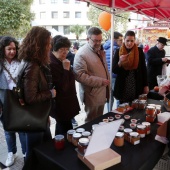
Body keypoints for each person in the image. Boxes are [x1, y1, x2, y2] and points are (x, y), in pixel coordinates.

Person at [18, 26, 56, 169]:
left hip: (38, 115)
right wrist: (50, 93)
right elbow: (31, 97)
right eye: (47, 43)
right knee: (34, 155)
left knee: (44, 150)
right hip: (34, 117)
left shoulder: (30, 62)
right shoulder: (33, 66)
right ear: (39, 45)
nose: (50, 46)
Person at [73, 27, 110, 123]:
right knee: (91, 121)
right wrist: (101, 81)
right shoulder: (82, 53)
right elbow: (79, 75)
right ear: (87, 39)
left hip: (101, 91)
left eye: (100, 40)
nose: (98, 43)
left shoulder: (98, 50)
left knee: (99, 119)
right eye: (95, 40)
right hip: (92, 94)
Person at [0, 36, 26, 167]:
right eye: (9, 49)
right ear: (2, 49)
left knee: (22, 128)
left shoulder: (21, 61)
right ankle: (11, 152)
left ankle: (26, 152)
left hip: (20, 99)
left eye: (14, 48)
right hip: (4, 100)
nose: (12, 51)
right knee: (8, 129)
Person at [50, 36, 80, 134]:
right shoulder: (52, 63)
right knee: (65, 130)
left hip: (67, 103)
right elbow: (62, 87)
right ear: (55, 49)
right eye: (62, 49)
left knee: (64, 128)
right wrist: (66, 70)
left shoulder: (60, 60)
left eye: (67, 49)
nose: (65, 52)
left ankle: (59, 145)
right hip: (61, 104)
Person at [112, 30, 149, 103]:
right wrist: (120, 62)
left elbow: (143, 69)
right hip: (123, 84)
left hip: (136, 83)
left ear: (134, 40)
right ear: (124, 40)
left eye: (132, 41)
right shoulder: (119, 51)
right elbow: (114, 70)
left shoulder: (139, 51)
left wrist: (146, 85)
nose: (129, 43)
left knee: (136, 106)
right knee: (123, 107)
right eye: (127, 41)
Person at [103, 31, 123, 110]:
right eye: (120, 40)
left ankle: (109, 113)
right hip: (115, 75)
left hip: (107, 75)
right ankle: (119, 112)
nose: (122, 42)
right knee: (118, 95)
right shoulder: (117, 50)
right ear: (114, 39)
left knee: (110, 96)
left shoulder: (105, 47)